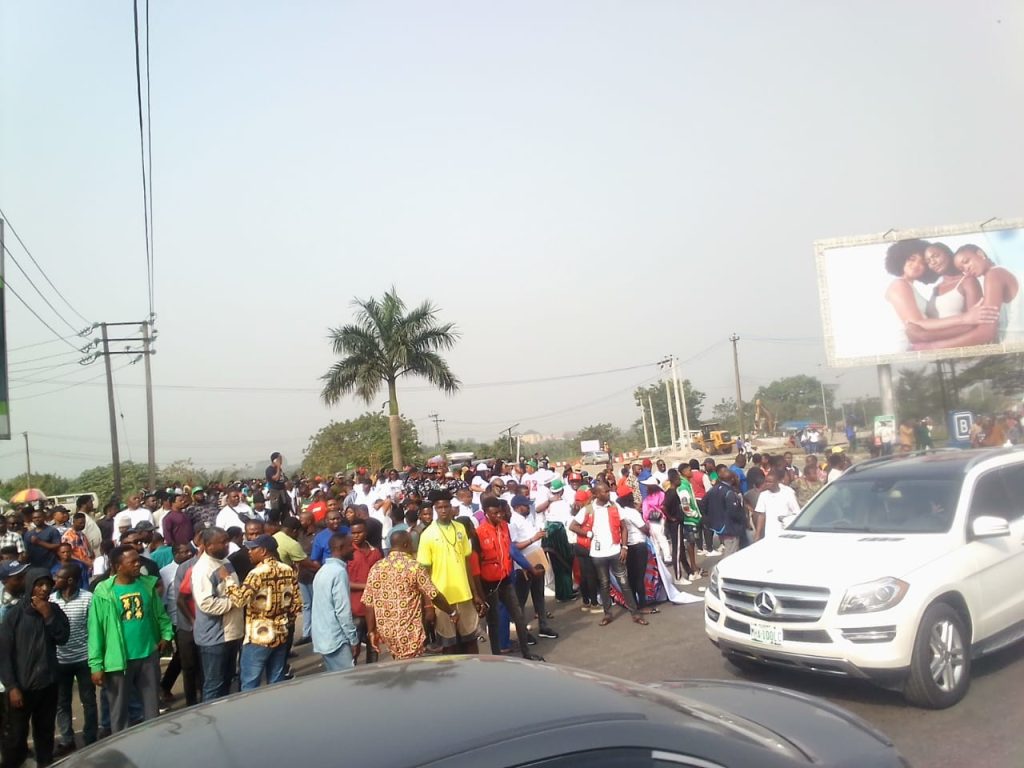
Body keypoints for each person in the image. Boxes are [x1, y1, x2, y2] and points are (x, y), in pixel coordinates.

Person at [87, 546, 173, 734]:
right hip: (118, 661)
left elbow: (160, 614)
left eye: (138, 560)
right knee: (119, 710)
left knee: (151, 707)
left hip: (147, 655)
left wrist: (166, 635)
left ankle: (153, 741)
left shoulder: (147, 585)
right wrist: (96, 665)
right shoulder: (103, 592)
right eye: (132, 562)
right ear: (118, 566)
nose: (138, 564)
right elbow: (95, 630)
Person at [0, 568, 70, 768]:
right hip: (21, 688)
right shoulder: (14, 616)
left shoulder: (54, 611)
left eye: (48, 584)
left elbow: (63, 638)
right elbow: (4, 655)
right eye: (39, 584)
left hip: (47, 685)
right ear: (30, 585)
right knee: (15, 738)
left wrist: (48, 617)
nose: (44, 589)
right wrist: (12, 686)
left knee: (45, 734)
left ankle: (44, 763)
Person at [362, 530, 459, 661]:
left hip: (386, 631)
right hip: (408, 631)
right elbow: (434, 595)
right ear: (407, 545)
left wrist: (371, 631)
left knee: (399, 665)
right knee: (410, 671)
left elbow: (369, 603)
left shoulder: (376, 567)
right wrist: (451, 612)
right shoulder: (414, 567)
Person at [224, 534, 300, 690]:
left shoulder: (256, 574)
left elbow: (240, 600)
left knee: (250, 684)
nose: (249, 552)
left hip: (259, 635)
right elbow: (296, 604)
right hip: (281, 632)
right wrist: (286, 622)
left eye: (253, 549)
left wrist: (227, 580)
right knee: (276, 683)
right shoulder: (287, 569)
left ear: (263, 551)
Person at [416, 492, 486, 654]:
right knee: (449, 646)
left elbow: (467, 563)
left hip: (464, 595)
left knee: (470, 641)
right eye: (439, 507)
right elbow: (424, 574)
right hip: (442, 599)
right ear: (434, 510)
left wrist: (475, 593)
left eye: (446, 506)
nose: (443, 510)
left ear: (452, 508)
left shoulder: (461, 528)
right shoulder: (427, 535)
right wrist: (428, 605)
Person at [570, 483, 647, 627]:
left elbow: (624, 528)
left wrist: (624, 547)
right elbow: (573, 526)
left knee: (624, 582)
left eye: (608, 491)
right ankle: (608, 614)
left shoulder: (614, 507)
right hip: (598, 554)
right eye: (605, 492)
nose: (608, 493)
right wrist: (588, 534)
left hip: (615, 551)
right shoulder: (588, 509)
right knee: (604, 583)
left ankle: (635, 613)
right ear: (596, 494)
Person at [191, 528, 244, 701]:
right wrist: (235, 602)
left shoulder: (225, 561)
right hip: (215, 637)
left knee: (228, 679)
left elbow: (233, 588)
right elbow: (207, 603)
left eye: (227, 540)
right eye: (222, 542)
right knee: (214, 684)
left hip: (232, 632)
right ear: (208, 545)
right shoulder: (203, 569)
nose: (227, 545)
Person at [51, 563, 97, 755]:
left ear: (69, 580)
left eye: (58, 577)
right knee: (62, 703)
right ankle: (67, 739)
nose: (55, 580)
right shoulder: (51, 600)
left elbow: (93, 630)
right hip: (59, 661)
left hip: (83, 659)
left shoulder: (88, 599)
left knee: (88, 701)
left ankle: (90, 738)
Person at [508, 495, 558, 640]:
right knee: (521, 601)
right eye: (526, 505)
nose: (529, 508)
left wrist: (539, 536)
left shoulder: (528, 518)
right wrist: (533, 539)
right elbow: (513, 546)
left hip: (537, 560)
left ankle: (543, 626)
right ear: (518, 507)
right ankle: (523, 632)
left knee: (539, 596)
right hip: (523, 565)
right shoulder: (513, 522)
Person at [311, 533, 360, 671]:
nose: (353, 549)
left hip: (323, 636)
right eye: (350, 545)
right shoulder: (338, 572)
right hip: (336, 638)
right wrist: (353, 639)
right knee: (347, 682)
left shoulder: (323, 570)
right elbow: (343, 611)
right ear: (340, 548)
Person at [346, 521, 382, 664]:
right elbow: (344, 582)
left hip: (374, 608)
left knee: (373, 644)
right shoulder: (348, 552)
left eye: (359, 532)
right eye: (353, 533)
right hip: (356, 608)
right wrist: (367, 586)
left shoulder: (376, 552)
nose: (356, 536)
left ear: (365, 533)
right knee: (353, 647)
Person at [753, 469, 802, 540]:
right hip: (770, 533)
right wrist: (758, 533)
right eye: (766, 482)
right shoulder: (763, 495)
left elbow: (796, 512)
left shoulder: (788, 494)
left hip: (786, 532)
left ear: (777, 482)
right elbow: (761, 515)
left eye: (770, 482)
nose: (767, 484)